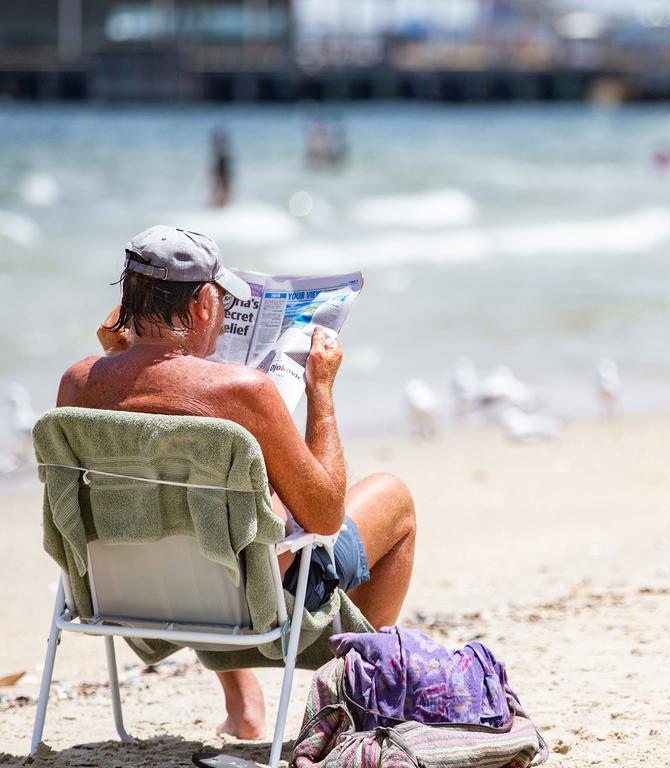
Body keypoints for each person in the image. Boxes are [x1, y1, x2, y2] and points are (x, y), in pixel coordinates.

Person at [56, 226, 417, 740]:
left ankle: (243, 705)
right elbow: (326, 516)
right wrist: (321, 391)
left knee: (192, 509)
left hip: (124, 598)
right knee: (392, 498)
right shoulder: (244, 391)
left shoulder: (77, 383)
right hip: (248, 603)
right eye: (221, 301)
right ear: (204, 304)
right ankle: (360, 701)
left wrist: (118, 356)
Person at [210, 128, 232, 207]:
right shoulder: (222, 156)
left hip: (221, 161)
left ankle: (223, 199)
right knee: (221, 179)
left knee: (220, 179)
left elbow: (220, 178)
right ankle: (223, 198)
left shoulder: (221, 157)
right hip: (223, 194)